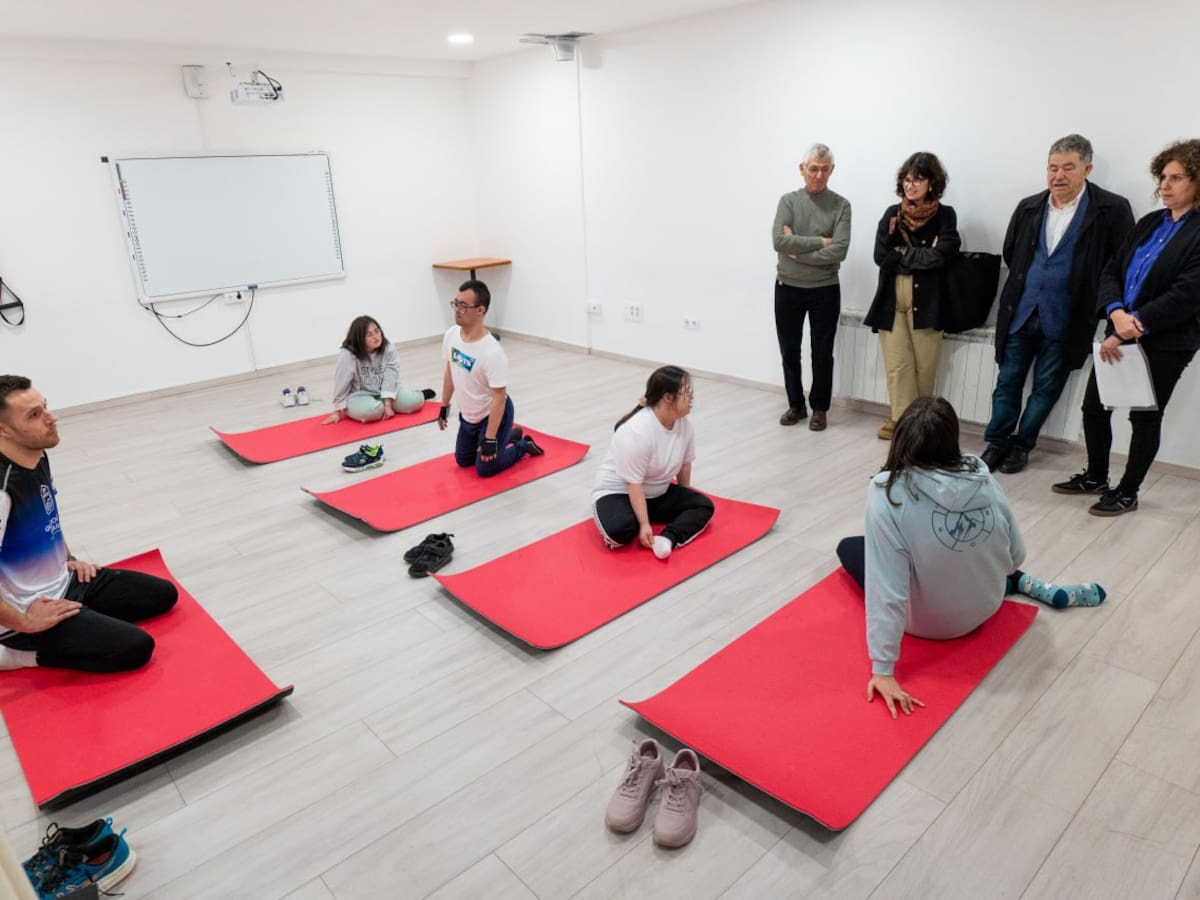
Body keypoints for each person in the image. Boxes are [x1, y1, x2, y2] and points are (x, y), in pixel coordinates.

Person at [835, 397, 1105, 718]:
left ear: (901, 439)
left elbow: (887, 591)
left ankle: (1010, 584)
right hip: (986, 605)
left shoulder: (887, 492)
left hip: (929, 624)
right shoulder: (980, 475)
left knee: (851, 547)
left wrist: (883, 670)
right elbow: (1014, 555)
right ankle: (1029, 586)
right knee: (969, 558)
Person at [1054, 139, 1200, 516]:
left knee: (1144, 416)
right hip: (1120, 328)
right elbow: (1113, 269)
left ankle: (1128, 491)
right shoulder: (1152, 222)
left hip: (1165, 341)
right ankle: (1096, 476)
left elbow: (1186, 295)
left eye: (1177, 178)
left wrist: (1130, 326)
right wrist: (1116, 312)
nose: (1165, 185)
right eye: (1162, 177)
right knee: (1094, 408)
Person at [0, 375, 177, 672]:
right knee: (136, 648)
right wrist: (24, 622)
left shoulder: (36, 453)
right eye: (34, 415)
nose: (51, 418)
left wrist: (68, 559)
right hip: (24, 610)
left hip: (64, 581)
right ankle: (13, 655)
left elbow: (47, 516)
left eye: (45, 407)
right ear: (4, 430)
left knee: (162, 595)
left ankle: (81, 619)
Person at [982, 135, 1134, 474]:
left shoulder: (1112, 209)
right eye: (1052, 168)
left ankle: (1022, 446)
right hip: (1022, 312)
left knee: (1046, 388)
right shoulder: (1029, 207)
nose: (1058, 176)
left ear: (1087, 169)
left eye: (1068, 168)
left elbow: (1121, 264)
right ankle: (996, 443)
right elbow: (1013, 253)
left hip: (1068, 318)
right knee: (1006, 383)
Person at [864, 152, 960, 440]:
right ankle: (900, 420)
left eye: (918, 179)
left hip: (928, 300)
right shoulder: (891, 214)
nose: (911, 185)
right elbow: (881, 256)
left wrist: (903, 254)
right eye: (907, 179)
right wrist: (922, 254)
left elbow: (944, 254)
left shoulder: (945, 215)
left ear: (932, 183)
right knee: (897, 363)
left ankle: (921, 424)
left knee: (924, 365)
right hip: (891, 297)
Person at [591, 366, 714, 560]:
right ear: (668, 397)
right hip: (620, 491)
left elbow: (685, 464)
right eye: (685, 392)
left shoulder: (685, 426)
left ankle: (668, 538)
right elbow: (634, 483)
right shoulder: (638, 431)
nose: (691, 397)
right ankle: (623, 515)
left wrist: (684, 496)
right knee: (621, 531)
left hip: (656, 493)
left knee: (703, 505)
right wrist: (644, 524)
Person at [772, 143, 852, 432]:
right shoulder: (788, 202)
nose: (818, 175)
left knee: (822, 352)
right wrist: (821, 241)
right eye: (813, 169)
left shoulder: (841, 205)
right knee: (789, 350)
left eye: (824, 169)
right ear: (802, 169)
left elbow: (840, 250)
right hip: (787, 287)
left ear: (832, 170)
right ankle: (796, 405)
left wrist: (798, 250)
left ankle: (820, 408)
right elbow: (780, 243)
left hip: (825, 289)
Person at [438, 280, 543, 477]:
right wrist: (444, 405)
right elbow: (449, 372)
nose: (457, 310)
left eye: (464, 306)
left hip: (494, 415)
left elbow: (498, 398)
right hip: (468, 417)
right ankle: (509, 436)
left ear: (480, 310)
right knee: (463, 460)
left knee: (485, 468)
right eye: (456, 303)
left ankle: (522, 445)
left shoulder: (492, 353)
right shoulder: (451, 335)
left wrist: (490, 438)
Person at [321, 315, 434, 425]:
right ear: (359, 339)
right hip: (359, 395)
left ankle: (407, 397)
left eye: (377, 331)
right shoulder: (348, 354)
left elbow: (391, 376)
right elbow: (341, 382)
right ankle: (375, 406)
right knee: (372, 412)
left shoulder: (388, 348)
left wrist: (388, 405)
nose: (376, 336)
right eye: (369, 335)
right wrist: (337, 411)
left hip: (386, 389)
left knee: (415, 403)